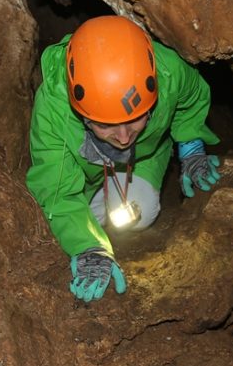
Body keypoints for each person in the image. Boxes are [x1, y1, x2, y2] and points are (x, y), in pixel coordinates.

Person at [26, 15, 222, 303]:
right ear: (79, 111)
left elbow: (192, 99)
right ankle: (95, 214)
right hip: (85, 172)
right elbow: (57, 194)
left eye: (135, 119)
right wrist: (89, 247)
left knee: (141, 211)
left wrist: (190, 145)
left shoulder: (168, 72)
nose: (123, 137)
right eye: (105, 124)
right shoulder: (53, 113)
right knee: (75, 225)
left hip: (146, 155)